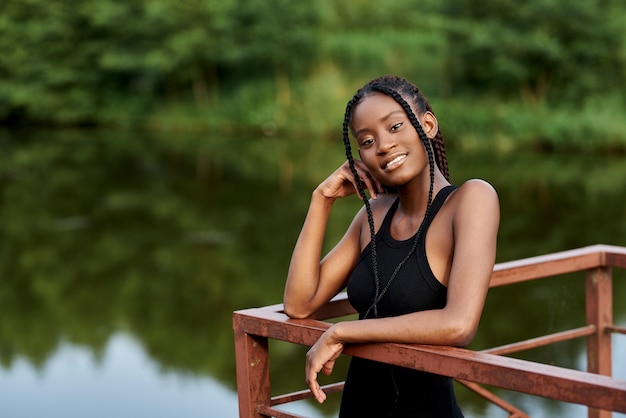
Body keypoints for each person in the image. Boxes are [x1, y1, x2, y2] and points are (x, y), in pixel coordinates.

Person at [283, 75, 500, 417]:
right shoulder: (375, 214)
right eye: (367, 141)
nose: (383, 145)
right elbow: (299, 304)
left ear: (427, 125)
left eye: (395, 126)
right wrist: (321, 199)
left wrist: (344, 332)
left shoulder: (471, 200)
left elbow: (459, 324)